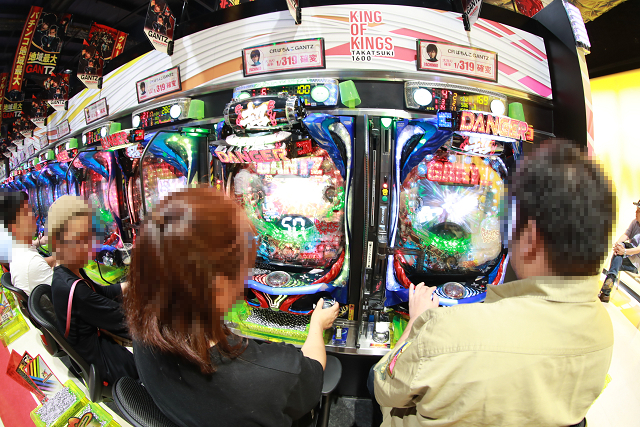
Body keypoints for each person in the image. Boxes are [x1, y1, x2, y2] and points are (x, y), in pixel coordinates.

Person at [373, 140, 615, 426]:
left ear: (530, 239)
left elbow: (385, 386)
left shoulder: (448, 330)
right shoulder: (603, 329)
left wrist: (417, 322)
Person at [124, 187, 339, 427]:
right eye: (244, 269)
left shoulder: (141, 329)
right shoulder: (273, 373)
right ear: (218, 286)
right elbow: (313, 372)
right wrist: (317, 325)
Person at [48, 195, 137, 385]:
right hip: (106, 366)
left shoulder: (65, 273)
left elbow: (101, 293)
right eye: (81, 239)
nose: (91, 246)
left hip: (98, 349)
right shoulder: (74, 290)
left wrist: (131, 285)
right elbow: (124, 320)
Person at [0, 191, 54, 295]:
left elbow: (40, 264)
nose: (34, 216)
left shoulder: (17, 252)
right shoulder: (31, 262)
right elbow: (72, 294)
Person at [599, 200, 640, 302]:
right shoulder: (634, 222)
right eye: (636, 210)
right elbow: (626, 235)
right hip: (627, 255)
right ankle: (606, 290)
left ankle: (606, 291)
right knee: (620, 249)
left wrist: (624, 251)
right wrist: (617, 244)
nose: (636, 212)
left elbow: (638, 249)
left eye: (638, 211)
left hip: (636, 263)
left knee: (618, 256)